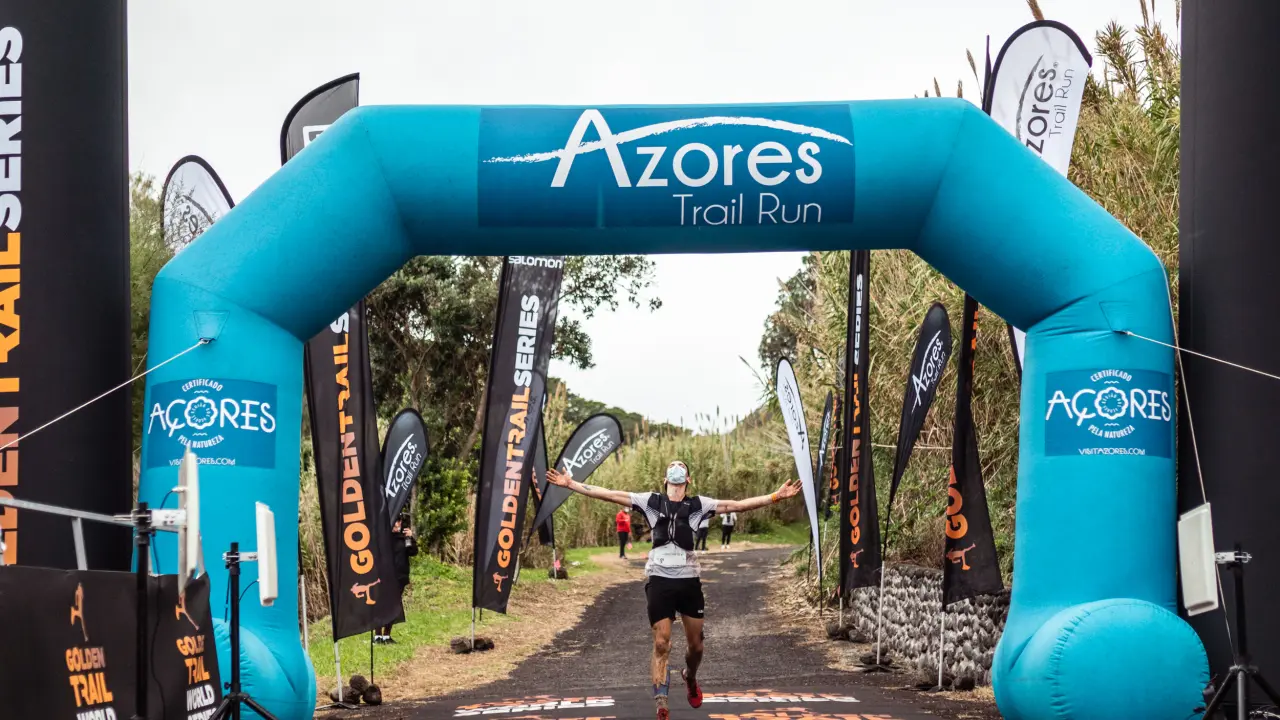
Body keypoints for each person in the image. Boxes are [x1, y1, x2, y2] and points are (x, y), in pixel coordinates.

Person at [545, 460, 800, 720]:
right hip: (659, 579)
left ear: (688, 479)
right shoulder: (650, 501)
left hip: (689, 580)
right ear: (665, 478)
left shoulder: (699, 505)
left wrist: (775, 496)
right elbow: (609, 494)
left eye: (681, 465)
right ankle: (662, 702)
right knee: (661, 642)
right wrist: (571, 484)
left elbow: (737, 505)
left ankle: (690, 677)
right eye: (672, 465)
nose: (676, 466)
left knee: (696, 646)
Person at [375, 515, 417, 644]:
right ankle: (377, 636)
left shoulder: (404, 538)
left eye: (399, 521)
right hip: (384, 577)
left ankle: (387, 635)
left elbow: (413, 552)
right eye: (394, 521)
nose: (397, 524)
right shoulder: (383, 538)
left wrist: (411, 538)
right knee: (381, 604)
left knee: (394, 605)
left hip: (400, 577)